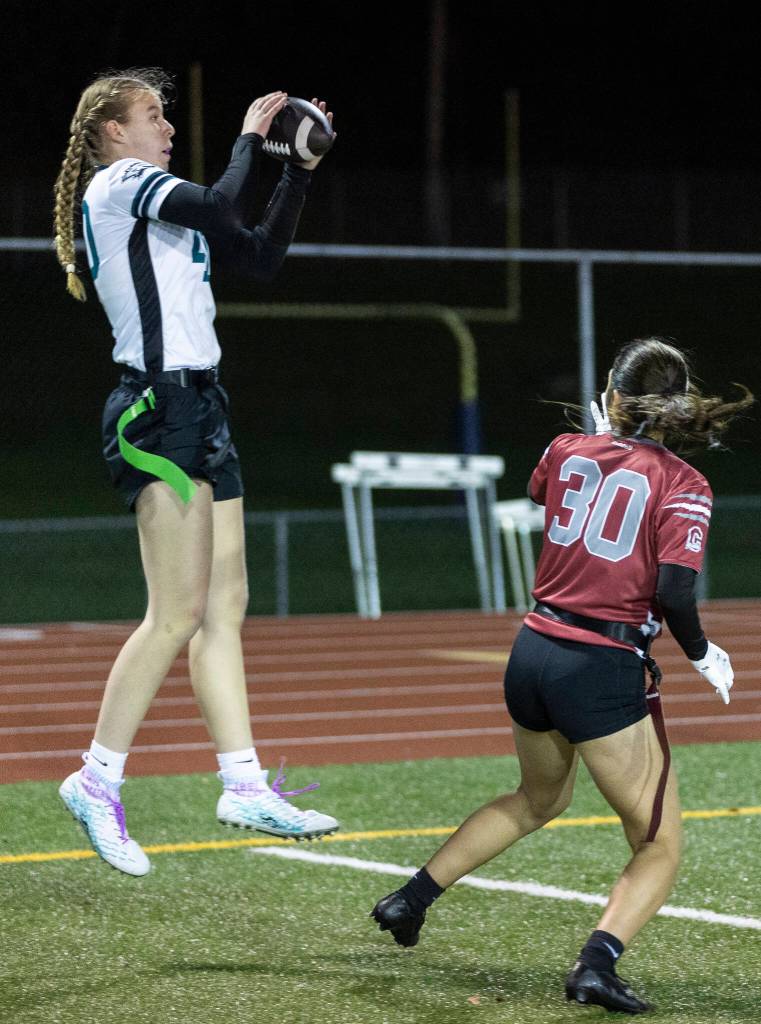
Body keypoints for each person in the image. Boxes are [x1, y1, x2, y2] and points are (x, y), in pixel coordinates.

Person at [371, 337, 753, 1014]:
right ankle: (595, 965)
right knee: (658, 843)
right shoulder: (684, 483)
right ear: (676, 405)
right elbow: (672, 589)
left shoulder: (564, 449)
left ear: (609, 395)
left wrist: (609, 438)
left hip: (533, 649)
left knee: (536, 800)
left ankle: (411, 898)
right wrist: (697, 650)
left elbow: (553, 497)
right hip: (598, 665)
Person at [53, 68, 339, 877]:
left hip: (201, 411)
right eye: (152, 115)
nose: (167, 127)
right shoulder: (120, 182)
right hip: (156, 417)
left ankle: (242, 783)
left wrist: (296, 171)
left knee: (226, 604)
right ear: (111, 132)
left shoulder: (164, 208)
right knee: (173, 613)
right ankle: (95, 778)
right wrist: (252, 135)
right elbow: (220, 206)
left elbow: (257, 257)